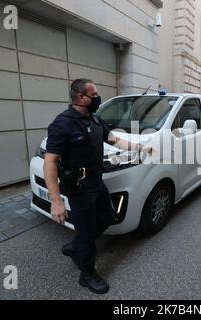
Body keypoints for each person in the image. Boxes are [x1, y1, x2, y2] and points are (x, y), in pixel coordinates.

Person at [44, 79, 152, 294]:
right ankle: (87, 274)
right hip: (79, 186)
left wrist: (139, 147)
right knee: (86, 232)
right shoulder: (62, 123)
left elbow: (112, 139)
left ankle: (77, 247)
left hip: (96, 180)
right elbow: (50, 161)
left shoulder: (94, 118)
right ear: (81, 97)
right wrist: (56, 201)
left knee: (108, 218)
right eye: (93, 94)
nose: (97, 97)